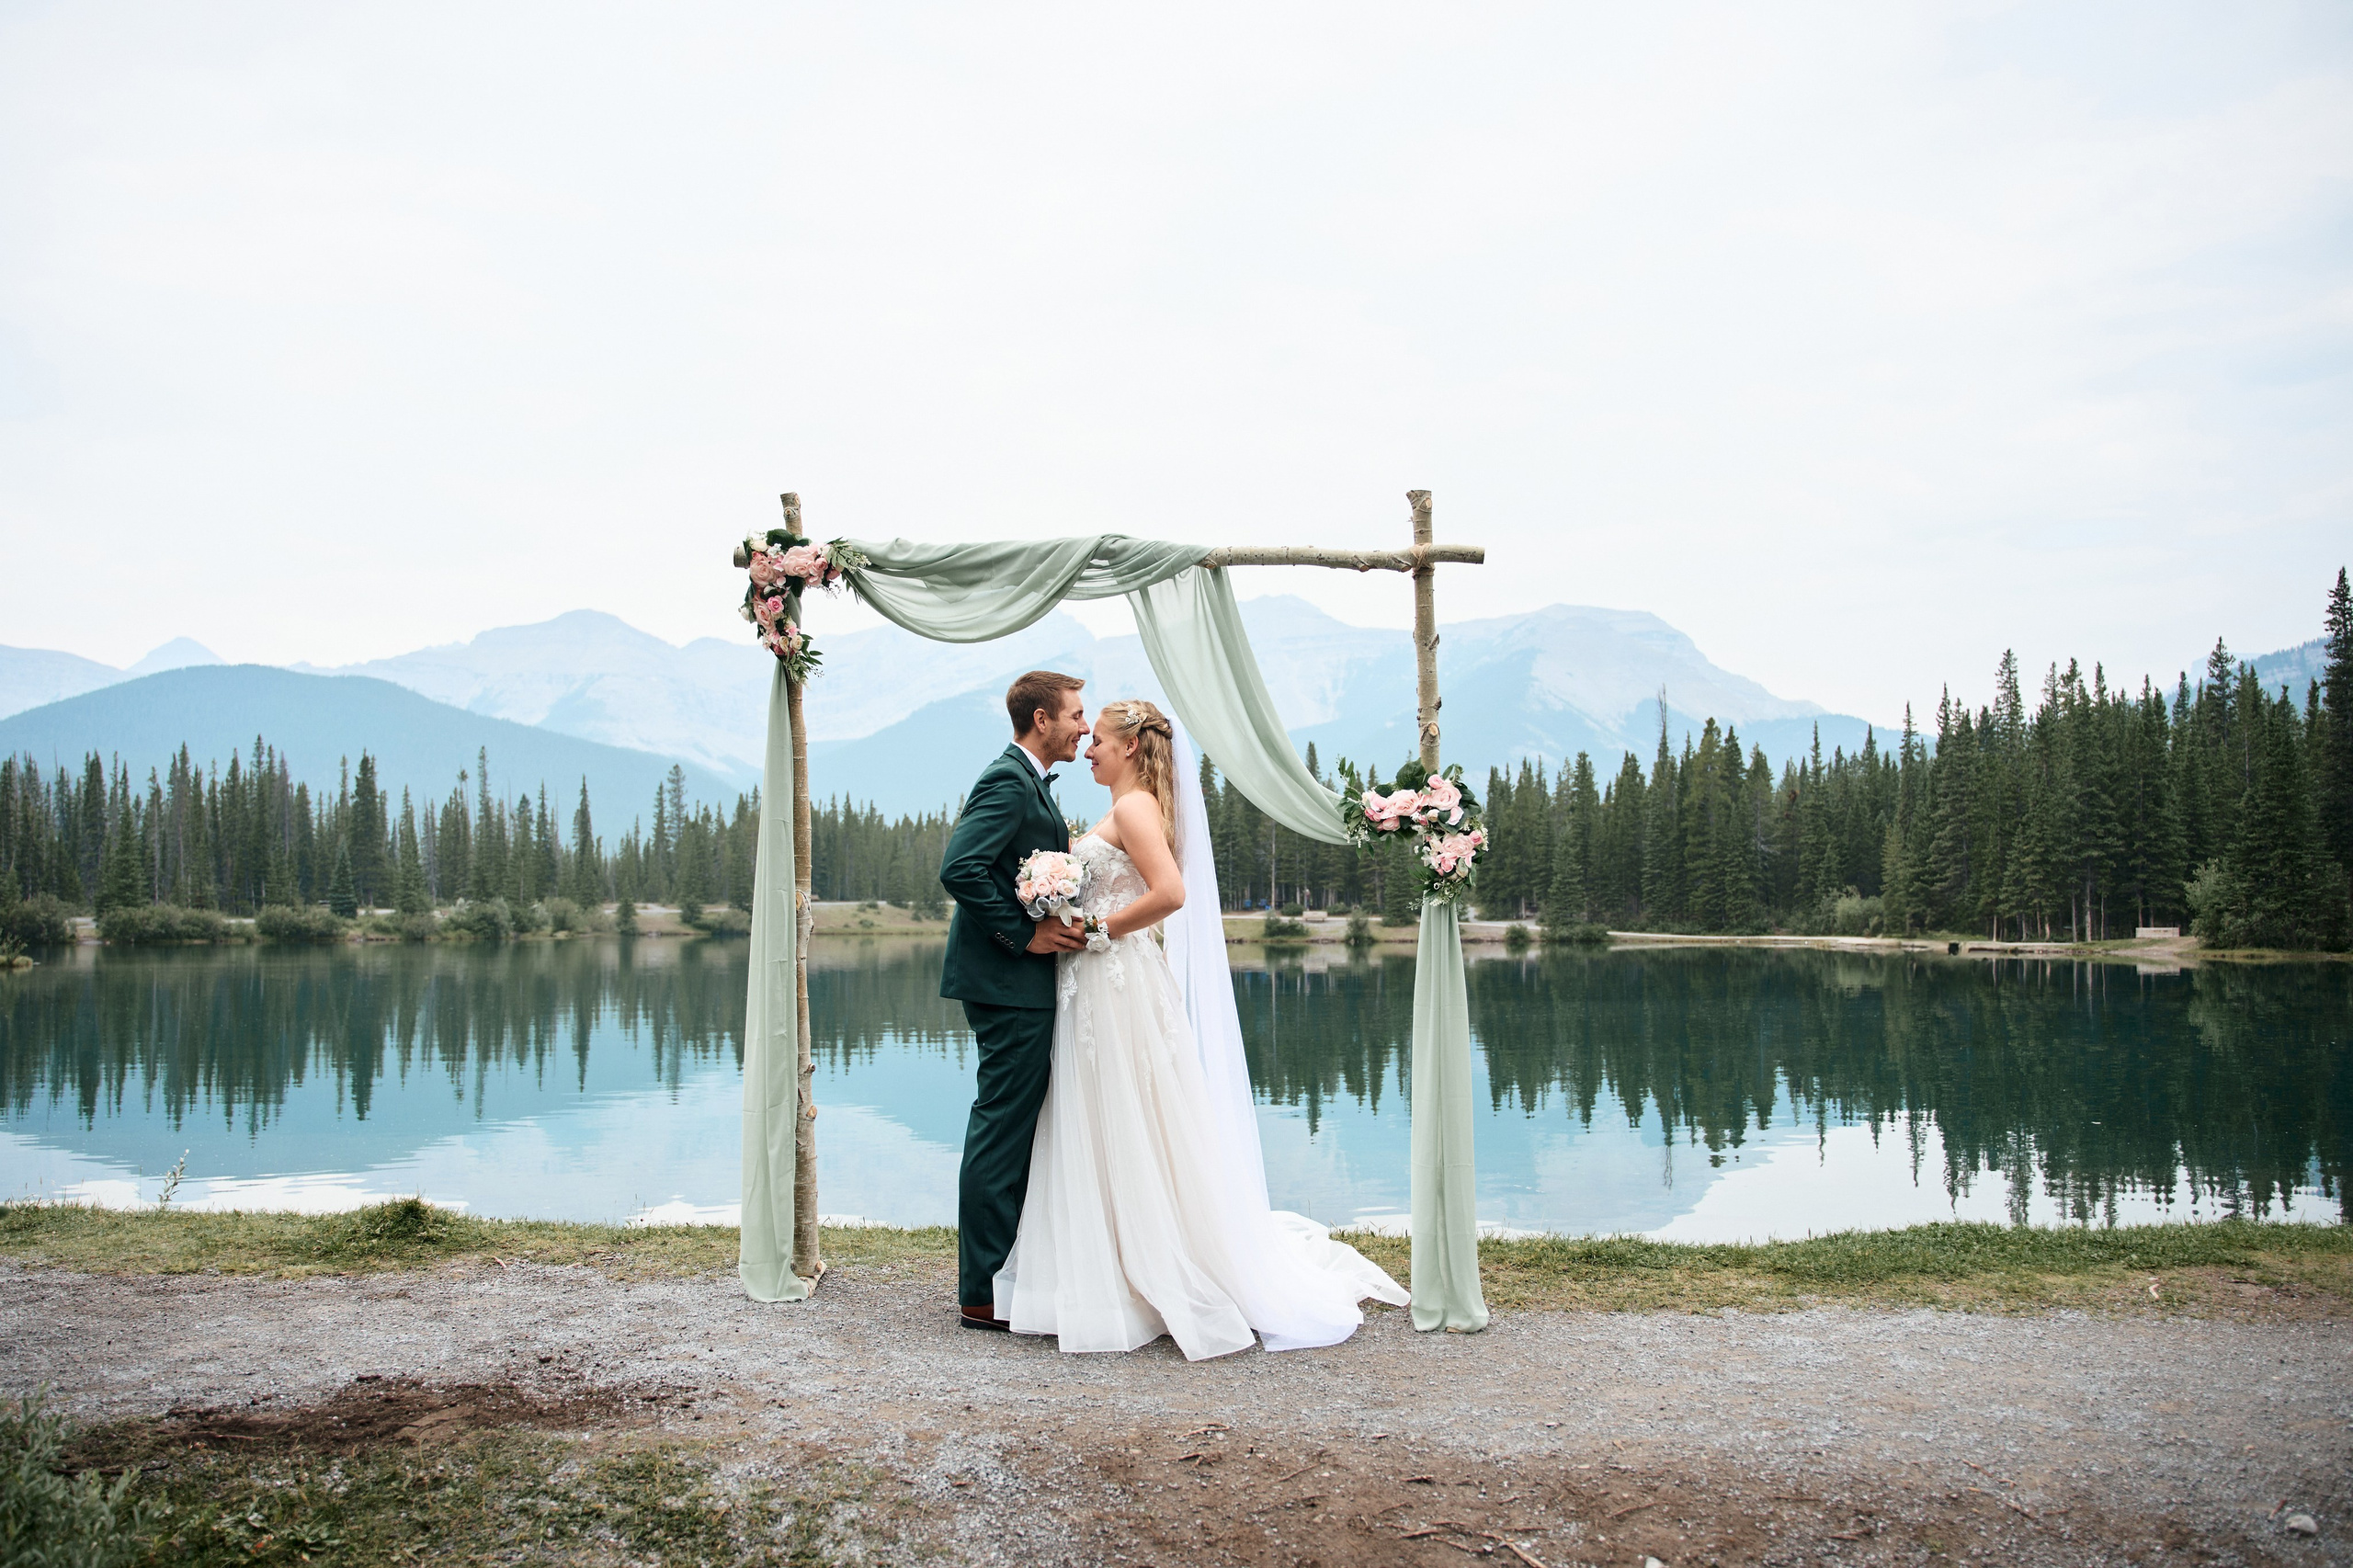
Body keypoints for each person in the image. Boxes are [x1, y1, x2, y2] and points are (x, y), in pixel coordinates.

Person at [989, 699, 1408, 1358]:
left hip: (1114, 979)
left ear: (1130, 747)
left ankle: (1142, 1271)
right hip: (1100, 981)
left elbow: (1170, 893)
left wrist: (1096, 928)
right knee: (1113, 1116)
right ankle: (1115, 1264)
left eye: (1097, 740)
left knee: (1126, 1115)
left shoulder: (1134, 809)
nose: (1089, 749)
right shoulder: (1133, 806)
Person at [938, 670, 1091, 1332]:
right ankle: (982, 1292)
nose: (1084, 728)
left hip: (1018, 984)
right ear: (1040, 720)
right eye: (1076, 716)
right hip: (1006, 984)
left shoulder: (1027, 779)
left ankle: (1005, 1275)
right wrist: (1022, 935)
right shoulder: (1007, 779)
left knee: (1012, 1128)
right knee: (1001, 1130)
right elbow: (960, 866)